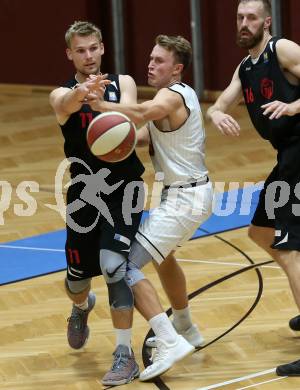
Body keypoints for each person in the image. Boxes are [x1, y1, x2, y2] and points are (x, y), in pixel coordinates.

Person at [50, 22, 194, 386]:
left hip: (124, 188)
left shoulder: (123, 83)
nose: (89, 55)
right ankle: (81, 307)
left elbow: (131, 120)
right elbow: (64, 105)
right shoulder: (61, 94)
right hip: (84, 193)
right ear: (70, 54)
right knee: (77, 282)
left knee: (115, 266)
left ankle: (123, 354)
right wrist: (81, 94)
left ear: (101, 48)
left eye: (94, 48)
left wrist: (105, 105)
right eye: (80, 50)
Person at [95, 34, 213, 381]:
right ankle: (187, 327)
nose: (150, 64)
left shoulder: (170, 95)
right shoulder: (180, 96)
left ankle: (168, 339)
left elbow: (144, 112)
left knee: (124, 264)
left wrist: (103, 107)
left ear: (176, 69)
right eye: (150, 58)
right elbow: (142, 134)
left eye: (159, 60)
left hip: (185, 199)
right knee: (164, 258)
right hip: (188, 195)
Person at [206, 0, 300, 376]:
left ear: (267, 21)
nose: (244, 24)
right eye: (239, 18)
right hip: (288, 157)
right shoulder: (246, 67)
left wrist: (294, 108)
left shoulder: (284, 50)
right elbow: (222, 101)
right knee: (261, 232)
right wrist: (216, 113)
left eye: (251, 18)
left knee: (289, 246)